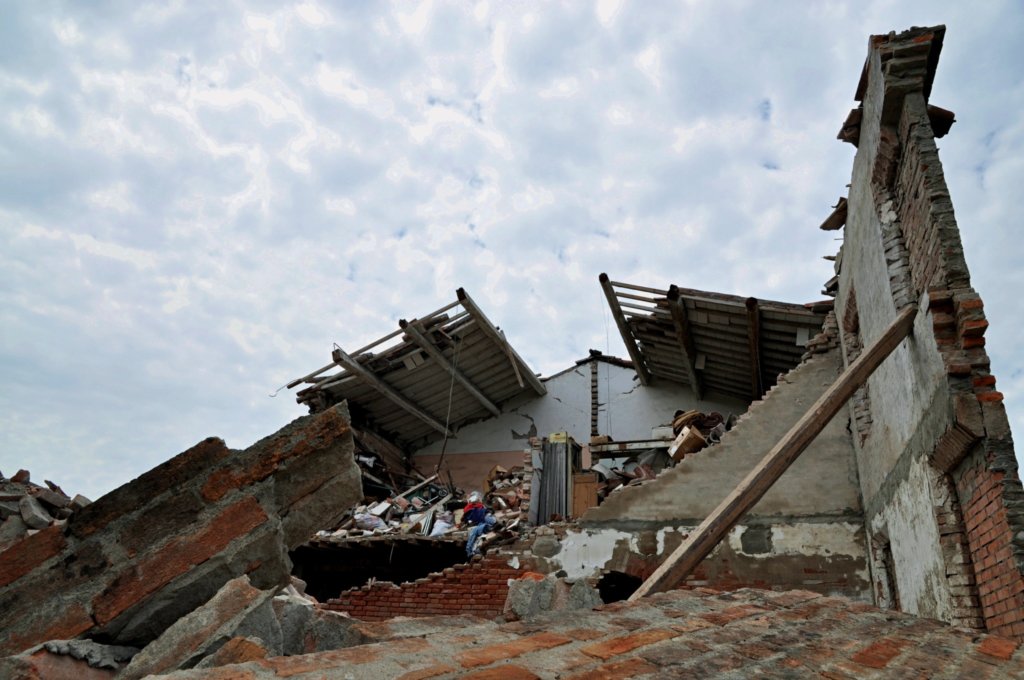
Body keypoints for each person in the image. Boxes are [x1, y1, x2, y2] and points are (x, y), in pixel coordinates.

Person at [461, 491, 495, 557]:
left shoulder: (474, 509)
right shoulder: (477, 508)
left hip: (485, 525)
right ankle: (471, 551)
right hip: (485, 524)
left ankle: (470, 552)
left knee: (474, 533)